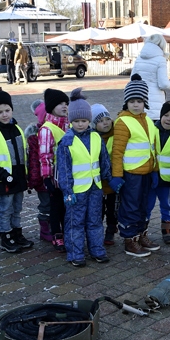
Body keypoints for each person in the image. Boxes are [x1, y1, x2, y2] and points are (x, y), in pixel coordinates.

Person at [56, 89, 112, 266]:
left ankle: (97, 249)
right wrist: (67, 191)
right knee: (75, 223)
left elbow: (103, 160)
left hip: (95, 188)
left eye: (84, 121)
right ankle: (76, 254)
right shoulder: (67, 141)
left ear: (89, 120)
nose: (81, 124)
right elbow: (63, 169)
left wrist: (108, 177)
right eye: (77, 121)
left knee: (95, 220)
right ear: (71, 121)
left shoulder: (96, 137)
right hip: (76, 191)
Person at [0, 88, 34, 253]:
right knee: (5, 209)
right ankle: (6, 236)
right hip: (4, 180)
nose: (5, 115)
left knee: (17, 208)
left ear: (12, 110)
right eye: (0, 111)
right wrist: (4, 175)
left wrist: (26, 175)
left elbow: (23, 154)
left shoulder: (17, 129)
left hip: (18, 178)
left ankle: (17, 233)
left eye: (7, 110)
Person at [111, 74, 159, 257]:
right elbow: (117, 152)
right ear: (126, 102)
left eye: (139, 101)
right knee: (130, 206)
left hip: (146, 173)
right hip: (131, 174)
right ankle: (129, 239)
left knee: (144, 206)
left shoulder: (147, 120)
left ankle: (140, 235)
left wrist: (155, 170)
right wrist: (117, 175)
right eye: (132, 101)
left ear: (145, 102)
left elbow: (153, 148)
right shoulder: (123, 122)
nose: (136, 104)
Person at [38, 88, 70, 252]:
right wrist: (47, 178)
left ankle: (67, 232)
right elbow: (45, 155)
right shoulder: (47, 129)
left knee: (67, 206)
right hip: (55, 177)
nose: (65, 106)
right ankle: (57, 234)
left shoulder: (68, 125)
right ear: (51, 107)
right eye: (60, 104)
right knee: (56, 207)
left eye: (66, 103)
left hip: (69, 175)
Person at [149, 100, 170, 245]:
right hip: (151, 177)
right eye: (165, 115)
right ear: (161, 115)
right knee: (147, 204)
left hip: (167, 180)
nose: (168, 119)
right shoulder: (152, 129)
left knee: (167, 205)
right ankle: (143, 228)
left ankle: (167, 229)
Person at [25, 99, 53, 243]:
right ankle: (44, 228)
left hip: (57, 179)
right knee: (45, 204)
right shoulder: (36, 137)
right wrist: (35, 180)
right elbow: (34, 161)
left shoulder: (58, 131)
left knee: (55, 204)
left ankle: (55, 227)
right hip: (43, 180)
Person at [92, 104, 118, 245]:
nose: (105, 123)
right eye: (100, 121)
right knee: (99, 208)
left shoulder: (116, 135)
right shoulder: (93, 138)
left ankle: (111, 230)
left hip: (113, 180)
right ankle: (98, 231)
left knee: (112, 208)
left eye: (107, 119)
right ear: (94, 125)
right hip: (99, 181)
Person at [131, 34, 170, 119]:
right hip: (155, 103)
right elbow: (163, 84)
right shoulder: (160, 60)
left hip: (140, 99)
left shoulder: (139, 58)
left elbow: (132, 79)